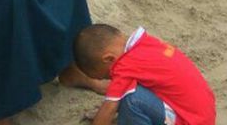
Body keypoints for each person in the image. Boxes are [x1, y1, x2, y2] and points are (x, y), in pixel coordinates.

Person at [73, 23, 216, 125]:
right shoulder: (146, 43)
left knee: (131, 99)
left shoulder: (124, 65)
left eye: (107, 76)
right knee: (128, 90)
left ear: (109, 59)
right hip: (202, 113)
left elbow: (109, 107)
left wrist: (103, 117)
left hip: (190, 120)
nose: (110, 78)